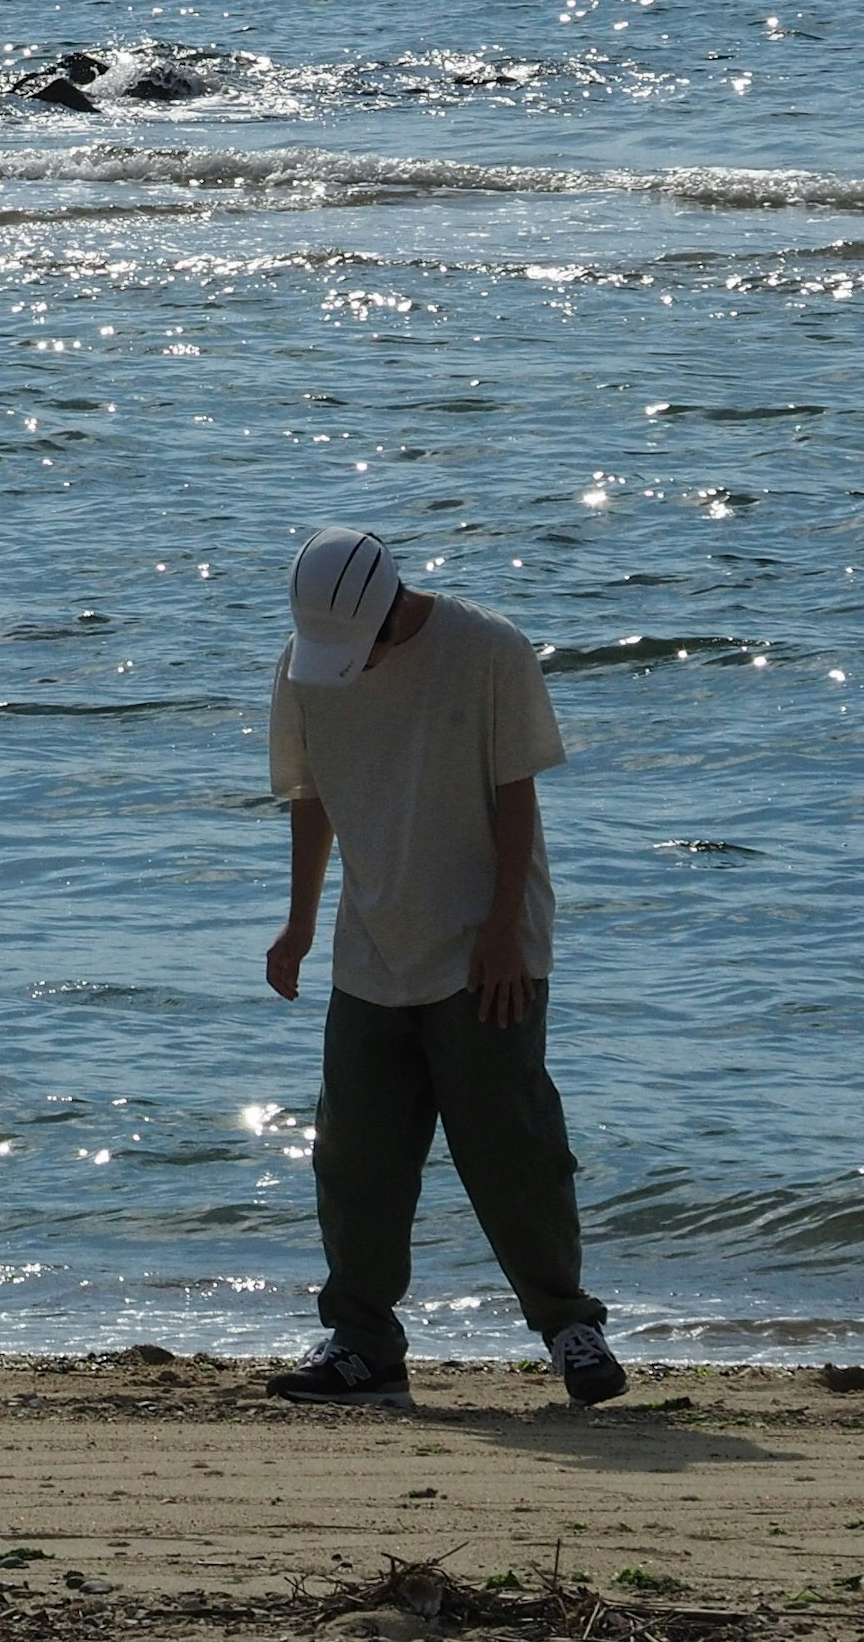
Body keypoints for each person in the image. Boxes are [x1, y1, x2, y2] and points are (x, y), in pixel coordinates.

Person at [262, 524, 624, 1408]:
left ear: (390, 604)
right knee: (354, 1158)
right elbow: (313, 798)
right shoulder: (307, 666)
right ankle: (363, 1345)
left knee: (515, 1149)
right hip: (370, 947)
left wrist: (502, 933)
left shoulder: (488, 650)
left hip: (485, 951)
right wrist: (300, 922)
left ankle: (569, 1327)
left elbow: (516, 800)